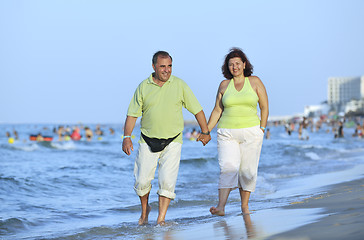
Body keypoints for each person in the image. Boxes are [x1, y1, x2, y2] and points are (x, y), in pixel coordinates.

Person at [122, 51, 211, 226]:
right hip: (147, 140)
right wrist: (126, 137)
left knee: (167, 182)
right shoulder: (143, 86)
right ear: (154, 66)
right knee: (141, 181)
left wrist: (205, 131)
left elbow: (197, 109)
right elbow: (132, 115)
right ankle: (145, 210)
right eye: (162, 66)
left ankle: (161, 219)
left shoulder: (179, 85)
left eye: (169, 66)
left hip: (173, 140)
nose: (166, 70)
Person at [200, 47, 268, 216]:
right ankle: (221, 207)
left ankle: (244, 206)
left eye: (238, 63)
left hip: (252, 132)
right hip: (227, 133)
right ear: (227, 67)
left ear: (244, 64)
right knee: (227, 168)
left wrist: (262, 129)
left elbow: (264, 107)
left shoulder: (255, 82)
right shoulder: (224, 85)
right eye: (231, 64)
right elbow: (217, 110)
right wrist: (206, 130)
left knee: (248, 171)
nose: (235, 67)